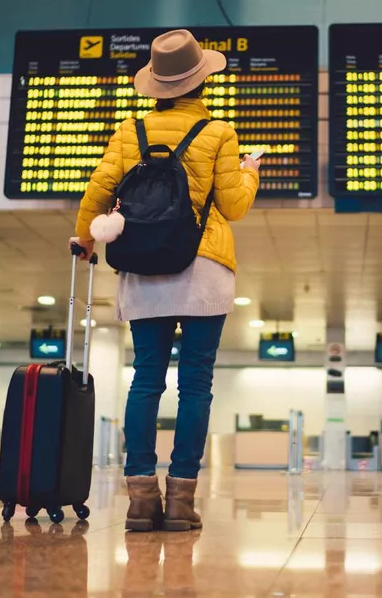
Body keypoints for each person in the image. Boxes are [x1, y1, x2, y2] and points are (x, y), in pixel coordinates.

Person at [68, 29, 260, 532]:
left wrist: (85, 239)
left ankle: (139, 500)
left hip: (144, 263)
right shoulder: (219, 132)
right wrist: (250, 171)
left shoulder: (130, 130)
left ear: (156, 85)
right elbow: (234, 206)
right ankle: (180, 501)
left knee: (147, 379)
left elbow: (100, 187)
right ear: (202, 82)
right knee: (196, 382)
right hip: (203, 266)